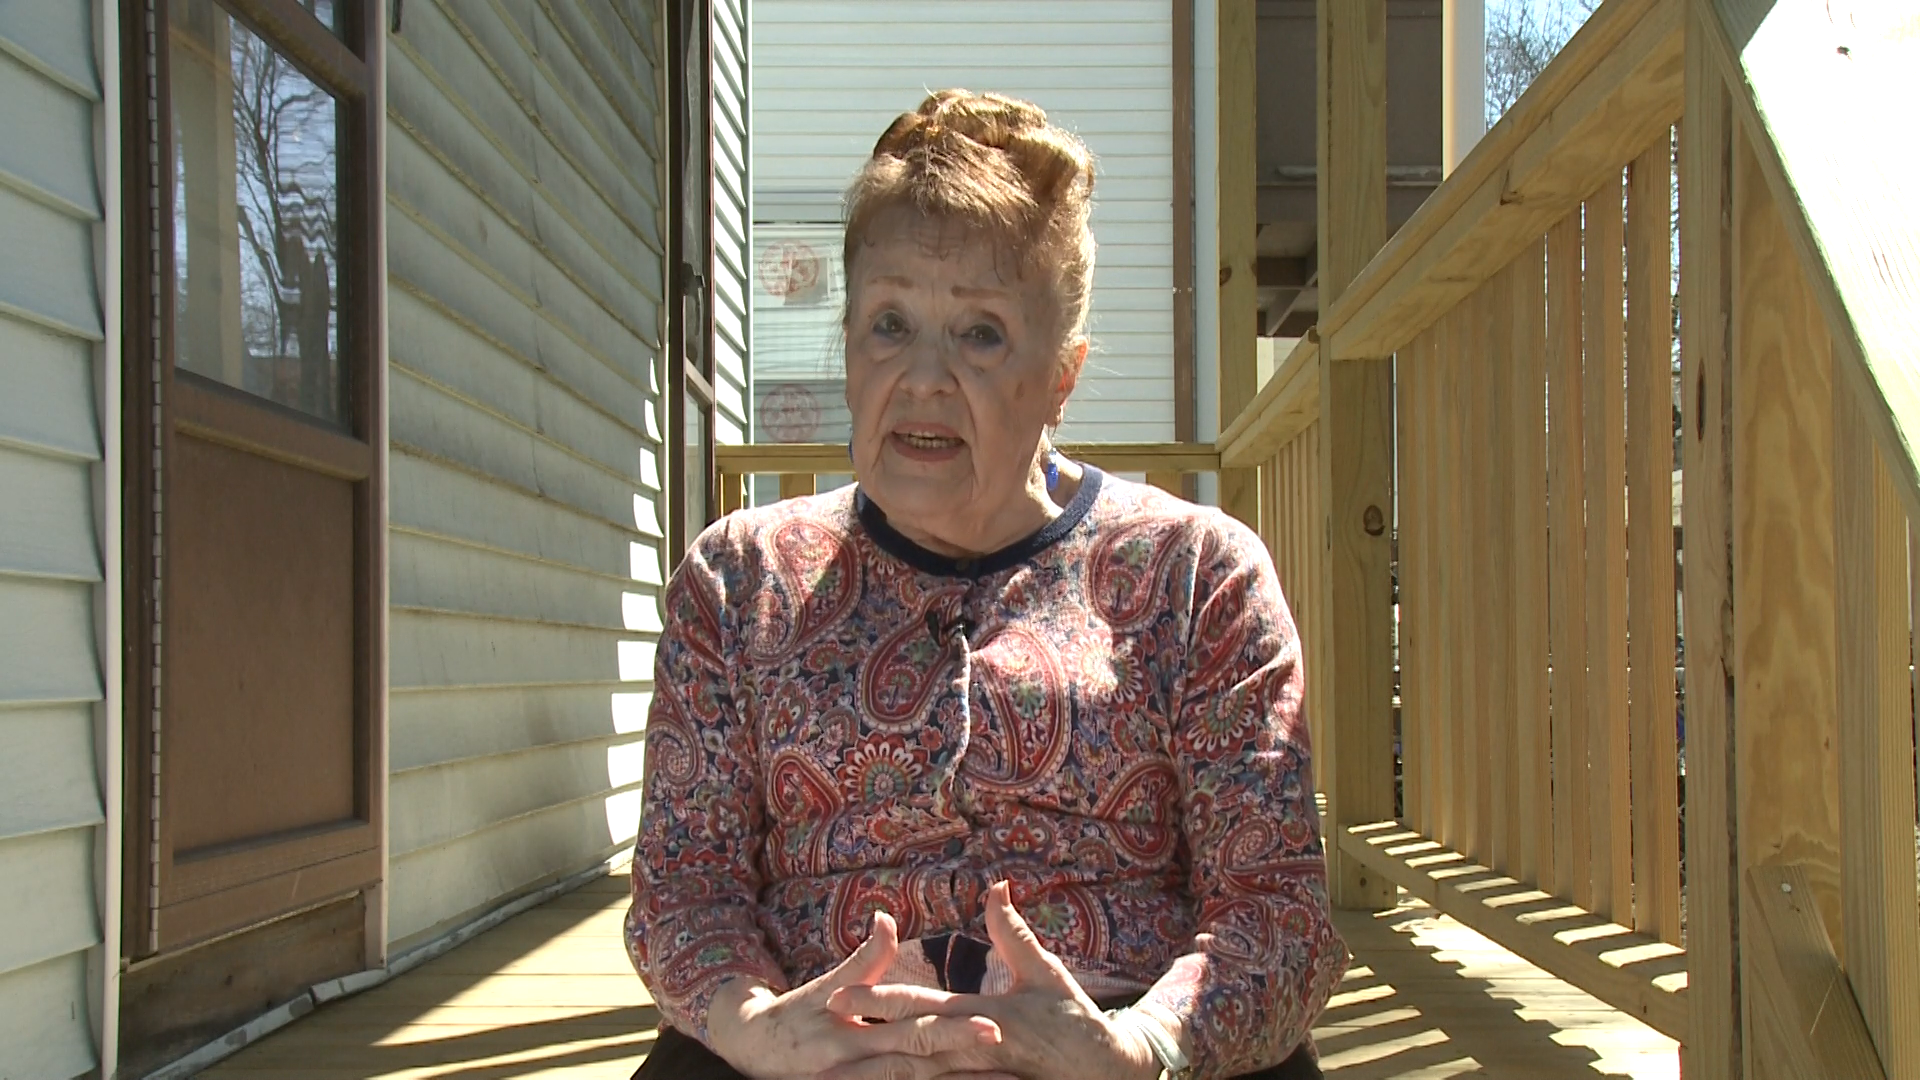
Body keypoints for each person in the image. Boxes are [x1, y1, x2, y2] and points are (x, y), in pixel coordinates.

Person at [626, 89, 1348, 1080]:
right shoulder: (739, 579)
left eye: (980, 334)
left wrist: (1136, 1048)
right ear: (848, 343)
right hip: (807, 1050)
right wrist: (759, 1031)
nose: (924, 377)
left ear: (1062, 375)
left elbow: (1274, 913)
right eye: (890, 323)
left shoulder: (1197, 576)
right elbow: (685, 888)